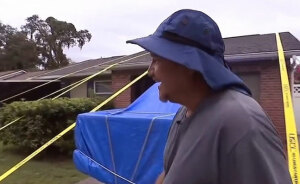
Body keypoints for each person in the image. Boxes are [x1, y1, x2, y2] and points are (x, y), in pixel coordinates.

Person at [127, 9, 292, 184]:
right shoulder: (183, 114)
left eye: (156, 59)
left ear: (188, 63)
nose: (149, 71)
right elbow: (172, 173)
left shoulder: (241, 122)